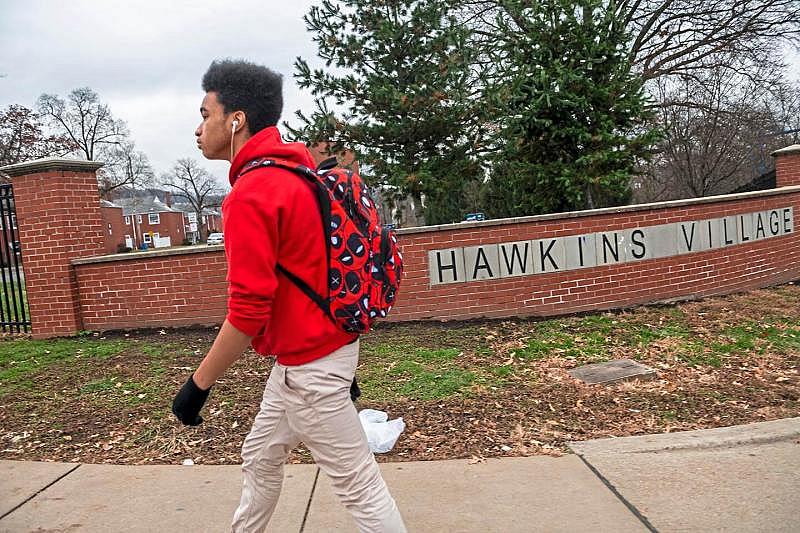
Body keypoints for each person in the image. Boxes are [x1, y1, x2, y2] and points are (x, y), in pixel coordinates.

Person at [171, 59, 407, 533]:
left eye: (205, 115)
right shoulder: (298, 175)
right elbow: (315, 274)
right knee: (259, 456)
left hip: (311, 370)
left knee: (360, 487)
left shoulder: (252, 194)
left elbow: (248, 311)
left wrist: (197, 386)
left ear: (235, 120)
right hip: (314, 357)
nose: (198, 129)